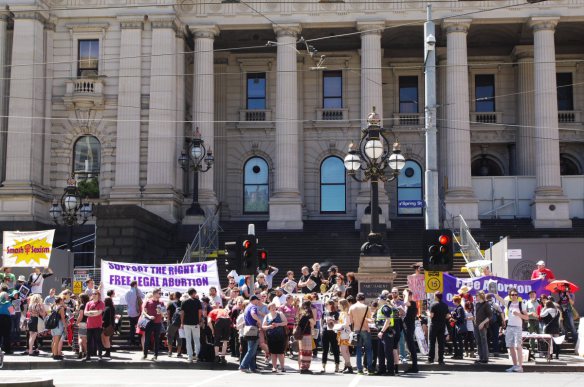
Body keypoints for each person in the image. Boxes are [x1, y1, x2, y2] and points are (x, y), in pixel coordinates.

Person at [497, 288, 529, 372]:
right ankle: (515, 365)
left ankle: (520, 367)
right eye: (512, 295)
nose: (514, 296)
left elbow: (527, 317)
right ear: (510, 296)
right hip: (509, 327)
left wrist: (518, 314)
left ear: (517, 295)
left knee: (518, 346)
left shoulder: (521, 304)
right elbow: (499, 298)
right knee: (511, 347)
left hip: (518, 327)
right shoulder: (509, 303)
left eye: (515, 294)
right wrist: (494, 292)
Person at [348, 293, 373, 374]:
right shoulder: (366, 307)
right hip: (365, 329)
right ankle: (370, 368)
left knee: (358, 350)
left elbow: (350, 321)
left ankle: (359, 369)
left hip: (356, 330)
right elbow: (370, 320)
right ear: (364, 299)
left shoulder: (352, 307)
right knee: (368, 349)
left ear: (356, 298)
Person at [240, 295, 263, 373]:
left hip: (248, 329)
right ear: (254, 300)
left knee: (251, 349)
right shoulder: (253, 307)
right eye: (257, 300)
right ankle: (243, 366)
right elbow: (253, 314)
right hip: (253, 329)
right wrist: (259, 320)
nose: (258, 301)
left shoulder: (247, 307)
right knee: (252, 350)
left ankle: (252, 367)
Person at [262, 302, 287, 372]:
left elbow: (285, 322)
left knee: (281, 353)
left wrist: (278, 324)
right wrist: (269, 326)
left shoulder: (280, 314)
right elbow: (263, 326)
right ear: (269, 308)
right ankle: (274, 367)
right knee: (273, 352)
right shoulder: (267, 316)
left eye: (274, 306)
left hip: (280, 336)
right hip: (271, 337)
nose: (273, 308)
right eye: (271, 307)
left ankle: (282, 367)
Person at [375, 294, 397, 376]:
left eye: (379, 299)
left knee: (388, 352)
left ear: (383, 300)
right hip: (383, 332)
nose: (378, 301)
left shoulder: (385, 308)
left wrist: (382, 331)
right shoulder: (381, 308)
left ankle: (390, 371)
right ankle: (382, 370)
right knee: (380, 352)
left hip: (386, 332)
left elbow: (388, 321)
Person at [180, 287, 203, 363]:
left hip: (186, 323)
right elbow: (200, 312)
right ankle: (198, 355)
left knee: (188, 340)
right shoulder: (197, 301)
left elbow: (182, 313)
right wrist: (199, 320)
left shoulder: (184, 302)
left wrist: (182, 323)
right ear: (193, 293)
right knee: (197, 340)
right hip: (195, 323)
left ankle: (190, 357)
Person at [141, 288, 164, 360]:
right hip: (149, 322)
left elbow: (164, 313)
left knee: (157, 339)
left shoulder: (161, 302)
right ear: (154, 294)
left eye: (161, 293)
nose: (160, 295)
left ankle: (155, 355)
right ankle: (145, 355)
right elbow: (144, 311)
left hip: (158, 323)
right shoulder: (148, 301)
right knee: (147, 339)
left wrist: (162, 313)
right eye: (159, 293)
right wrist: (149, 316)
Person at [427, 291, 449, 365]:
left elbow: (431, 315)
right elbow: (448, 316)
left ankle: (431, 359)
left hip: (434, 325)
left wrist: (428, 313)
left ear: (436, 296)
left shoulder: (433, 305)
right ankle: (441, 360)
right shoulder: (445, 305)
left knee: (432, 342)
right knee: (441, 343)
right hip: (442, 325)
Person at [84, 291, 105, 361]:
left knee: (98, 340)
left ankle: (100, 355)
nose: (94, 295)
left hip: (97, 325)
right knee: (88, 341)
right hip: (89, 325)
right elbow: (85, 313)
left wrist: (90, 313)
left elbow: (99, 313)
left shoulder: (101, 303)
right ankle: (88, 355)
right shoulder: (88, 303)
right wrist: (93, 312)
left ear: (98, 295)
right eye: (93, 294)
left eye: (95, 294)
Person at [297, 300, 316, 374]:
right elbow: (313, 322)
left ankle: (302, 367)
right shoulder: (308, 313)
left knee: (302, 352)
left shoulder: (300, 313)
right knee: (308, 352)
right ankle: (305, 368)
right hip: (307, 334)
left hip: (300, 335)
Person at [321, 299, 340, 373]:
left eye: (327, 304)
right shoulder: (324, 313)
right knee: (325, 349)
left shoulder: (336, 313)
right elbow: (322, 322)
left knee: (335, 349)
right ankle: (323, 365)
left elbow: (339, 322)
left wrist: (333, 321)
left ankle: (337, 365)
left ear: (331, 305)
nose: (325, 306)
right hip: (325, 331)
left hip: (333, 332)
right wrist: (323, 328)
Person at [402, 289, 418, 373]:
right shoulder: (410, 304)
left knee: (411, 346)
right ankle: (414, 366)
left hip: (410, 327)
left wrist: (406, 293)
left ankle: (415, 367)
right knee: (410, 346)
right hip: (407, 327)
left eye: (405, 296)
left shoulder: (412, 303)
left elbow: (405, 302)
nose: (404, 297)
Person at [124, 280, 144, 346]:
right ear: (135, 285)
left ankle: (132, 341)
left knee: (132, 326)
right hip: (137, 311)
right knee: (138, 326)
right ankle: (139, 341)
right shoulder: (137, 290)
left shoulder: (127, 292)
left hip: (129, 311)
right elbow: (143, 296)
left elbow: (126, 300)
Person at [474, 291, 491, 364]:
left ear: (480, 296)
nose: (475, 297)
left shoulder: (486, 304)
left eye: (476, 295)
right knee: (478, 341)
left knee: (483, 341)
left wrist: (483, 323)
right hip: (476, 324)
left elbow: (490, 316)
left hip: (483, 325)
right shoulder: (477, 304)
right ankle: (480, 357)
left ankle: (485, 358)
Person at [166, 291, 183, 358]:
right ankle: (178, 352)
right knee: (179, 338)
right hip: (180, 323)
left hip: (172, 323)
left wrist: (168, 321)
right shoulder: (182, 303)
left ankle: (170, 352)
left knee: (170, 337)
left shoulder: (170, 303)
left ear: (174, 296)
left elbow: (168, 313)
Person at [525, 290, 540, 355]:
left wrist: (539, 315)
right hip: (531, 321)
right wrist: (531, 313)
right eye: (530, 295)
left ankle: (541, 350)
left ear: (535, 295)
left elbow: (543, 310)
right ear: (529, 296)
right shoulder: (527, 303)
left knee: (540, 336)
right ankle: (533, 350)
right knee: (531, 336)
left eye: (533, 294)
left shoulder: (539, 302)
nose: (532, 295)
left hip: (539, 321)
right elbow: (524, 313)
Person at [450, 295, 466, 360]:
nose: (452, 302)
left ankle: (459, 354)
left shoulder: (459, 308)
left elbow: (460, 318)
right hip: (456, 326)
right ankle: (457, 354)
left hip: (458, 327)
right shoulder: (458, 308)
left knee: (459, 341)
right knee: (456, 341)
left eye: (453, 301)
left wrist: (453, 316)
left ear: (456, 301)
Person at [76, 293, 90, 359]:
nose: (79, 299)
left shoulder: (82, 306)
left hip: (82, 323)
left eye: (79, 297)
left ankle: (82, 351)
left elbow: (80, 316)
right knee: (85, 339)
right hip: (89, 323)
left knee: (80, 338)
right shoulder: (89, 304)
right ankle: (85, 352)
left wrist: (76, 322)